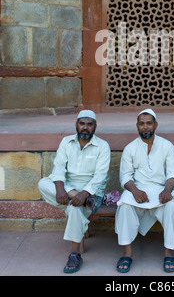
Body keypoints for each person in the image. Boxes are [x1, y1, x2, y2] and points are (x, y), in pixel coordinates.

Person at [38, 110, 111, 273]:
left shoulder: (103, 146)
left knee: (74, 207)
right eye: (82, 123)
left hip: (91, 190)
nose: (85, 127)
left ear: (95, 127)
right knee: (43, 183)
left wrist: (84, 194)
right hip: (69, 186)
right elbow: (58, 167)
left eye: (89, 124)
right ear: (76, 124)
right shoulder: (66, 142)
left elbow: (100, 176)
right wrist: (62, 189)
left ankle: (74, 252)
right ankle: (78, 200)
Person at [115, 108, 174, 273]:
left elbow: (173, 173)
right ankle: (127, 253)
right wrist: (135, 191)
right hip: (138, 189)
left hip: (160, 189)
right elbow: (125, 177)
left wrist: (167, 190)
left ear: (155, 125)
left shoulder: (167, 146)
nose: (145, 127)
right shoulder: (130, 148)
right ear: (137, 126)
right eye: (142, 124)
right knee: (124, 205)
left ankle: (169, 253)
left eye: (149, 123)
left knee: (172, 205)